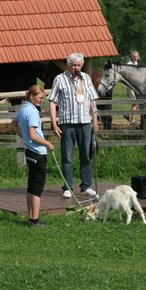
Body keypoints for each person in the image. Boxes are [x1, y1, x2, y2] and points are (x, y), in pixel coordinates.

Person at [48, 52, 99, 199]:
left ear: (81, 65)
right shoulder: (60, 79)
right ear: (68, 65)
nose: (76, 68)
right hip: (67, 123)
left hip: (84, 122)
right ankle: (68, 187)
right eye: (73, 65)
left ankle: (86, 186)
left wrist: (94, 121)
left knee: (86, 155)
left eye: (78, 65)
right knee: (67, 157)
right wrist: (54, 123)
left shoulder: (86, 78)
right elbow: (52, 101)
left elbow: (92, 100)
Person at [11, 85, 55, 227]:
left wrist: (23, 137)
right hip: (37, 153)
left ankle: (31, 218)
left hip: (29, 152)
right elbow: (32, 134)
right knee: (37, 188)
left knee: (31, 186)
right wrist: (47, 143)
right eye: (40, 98)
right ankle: (35, 220)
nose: (42, 101)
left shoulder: (23, 108)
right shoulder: (33, 112)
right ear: (31, 96)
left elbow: (13, 124)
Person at [125, 50, 140, 125]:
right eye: (134, 56)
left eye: (136, 56)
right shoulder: (129, 65)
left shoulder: (136, 63)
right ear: (131, 57)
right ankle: (132, 120)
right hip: (130, 86)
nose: (135, 58)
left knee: (139, 103)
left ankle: (128, 115)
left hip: (135, 86)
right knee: (135, 103)